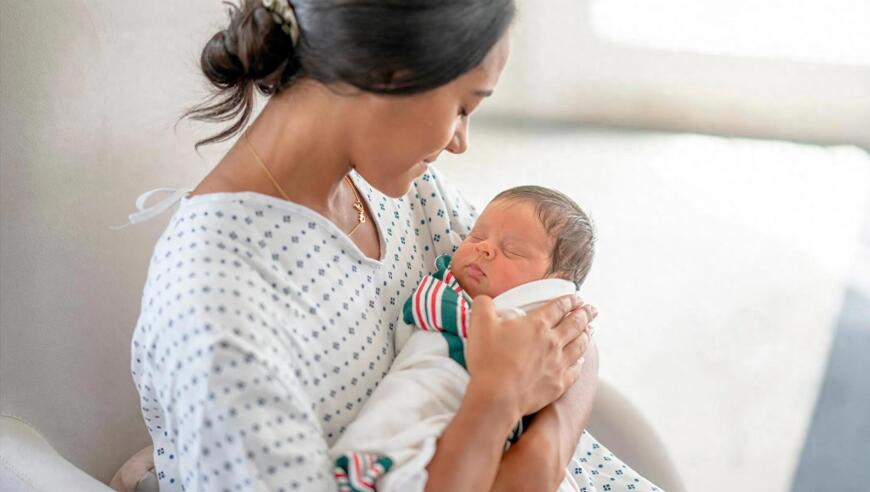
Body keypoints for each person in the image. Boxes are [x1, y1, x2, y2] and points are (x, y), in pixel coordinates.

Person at [126, 0, 662, 490]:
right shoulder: (216, 306)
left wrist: (545, 450)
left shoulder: (396, 189)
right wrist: (499, 405)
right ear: (386, 72)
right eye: (462, 106)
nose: (460, 141)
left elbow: (563, 314)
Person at [330, 186, 661, 491]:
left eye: (513, 251)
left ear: (553, 284)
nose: (483, 248)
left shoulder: (549, 317)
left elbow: (577, 345)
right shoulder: (445, 294)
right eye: (476, 236)